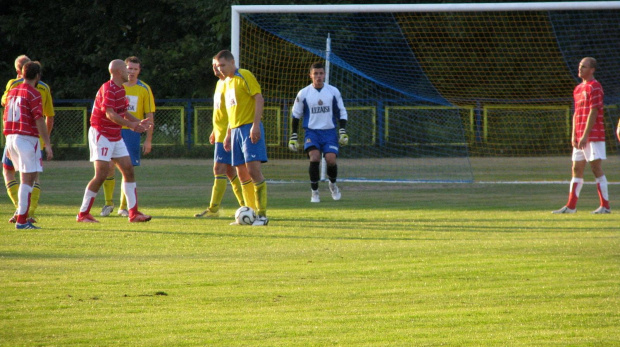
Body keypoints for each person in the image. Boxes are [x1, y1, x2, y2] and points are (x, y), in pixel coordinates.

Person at [77, 59, 153, 223]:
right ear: (119, 72)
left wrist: (137, 122)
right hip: (101, 134)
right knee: (101, 174)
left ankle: (133, 213)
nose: (129, 72)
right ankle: (83, 214)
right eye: (126, 70)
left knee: (128, 169)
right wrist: (131, 125)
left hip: (114, 134)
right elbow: (110, 114)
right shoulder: (109, 89)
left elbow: (123, 112)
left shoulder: (120, 89)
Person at [214, 50, 269, 226]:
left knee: (253, 170)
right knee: (241, 172)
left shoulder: (243, 75)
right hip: (235, 131)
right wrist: (229, 134)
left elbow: (259, 99)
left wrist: (255, 125)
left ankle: (262, 216)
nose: (220, 69)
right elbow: (232, 111)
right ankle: (250, 212)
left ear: (232, 62)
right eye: (218, 66)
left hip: (248, 128)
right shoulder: (227, 83)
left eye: (223, 65)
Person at [100, 56, 155, 218]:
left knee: (126, 170)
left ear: (139, 71)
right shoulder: (114, 86)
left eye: (135, 69)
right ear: (123, 69)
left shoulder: (144, 89)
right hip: (112, 130)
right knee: (108, 167)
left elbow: (149, 115)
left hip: (131, 133)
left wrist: (148, 139)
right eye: (129, 68)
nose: (131, 72)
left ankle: (124, 207)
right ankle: (108, 203)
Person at [2, 55, 55, 223]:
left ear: (21, 73)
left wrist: (8, 142)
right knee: (28, 178)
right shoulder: (33, 93)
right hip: (27, 138)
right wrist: (47, 144)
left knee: (23, 177)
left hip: (11, 137)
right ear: (37, 76)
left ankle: (20, 213)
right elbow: (40, 119)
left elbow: (6, 117)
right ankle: (23, 219)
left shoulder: (13, 91)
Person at [553, 57, 609, 214]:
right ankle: (571, 206)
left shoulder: (595, 87)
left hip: (593, 135)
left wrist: (585, 134)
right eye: (579, 66)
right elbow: (576, 113)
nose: (580, 69)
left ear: (592, 70)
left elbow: (594, 111)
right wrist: (574, 135)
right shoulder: (578, 89)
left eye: (584, 67)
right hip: (580, 136)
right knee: (576, 168)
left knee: (595, 167)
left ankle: (605, 206)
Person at [194, 57, 249, 218]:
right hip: (220, 133)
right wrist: (214, 130)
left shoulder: (231, 84)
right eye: (213, 66)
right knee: (231, 172)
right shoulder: (220, 84)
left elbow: (233, 112)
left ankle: (213, 209)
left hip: (228, 133)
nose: (216, 69)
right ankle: (246, 205)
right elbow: (220, 111)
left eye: (219, 66)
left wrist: (227, 133)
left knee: (219, 169)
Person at [288, 62, 348, 203]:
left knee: (331, 159)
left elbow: (342, 112)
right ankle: (314, 192)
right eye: (316, 74)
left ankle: (332, 184)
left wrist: (343, 130)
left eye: (321, 73)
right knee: (314, 157)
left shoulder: (333, 91)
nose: (318, 76)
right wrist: (294, 135)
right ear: (310, 75)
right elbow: (296, 115)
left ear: (324, 75)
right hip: (312, 132)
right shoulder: (303, 93)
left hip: (329, 132)